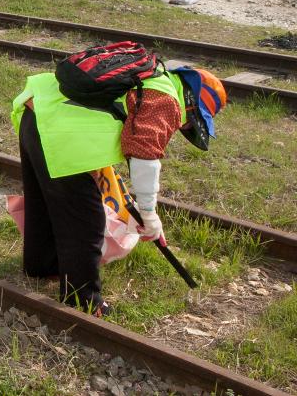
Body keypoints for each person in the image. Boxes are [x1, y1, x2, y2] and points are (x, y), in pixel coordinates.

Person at [12, 64, 226, 316]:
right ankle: (83, 303)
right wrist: (148, 212)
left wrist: (136, 210)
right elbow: (145, 158)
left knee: (45, 204)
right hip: (60, 133)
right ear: (192, 104)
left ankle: (42, 266)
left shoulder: (149, 78)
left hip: (36, 113)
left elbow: (100, 122)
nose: (185, 127)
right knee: (86, 223)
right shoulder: (167, 100)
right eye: (192, 122)